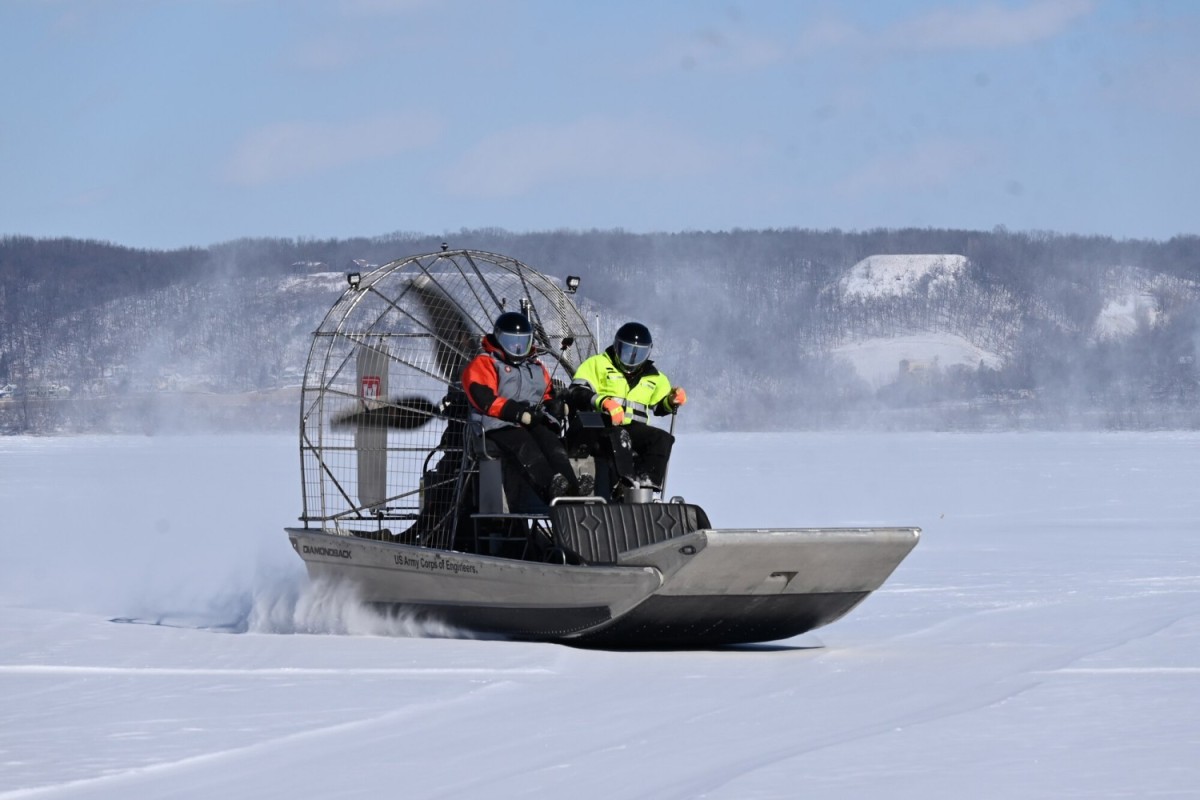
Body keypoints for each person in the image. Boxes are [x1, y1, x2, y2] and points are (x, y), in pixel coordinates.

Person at [461, 311, 581, 506]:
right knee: (525, 444)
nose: (517, 348)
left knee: (552, 444)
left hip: (530, 420)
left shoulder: (534, 366)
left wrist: (554, 405)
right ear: (499, 339)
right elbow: (483, 398)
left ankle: (572, 489)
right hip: (497, 425)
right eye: (511, 342)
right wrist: (515, 412)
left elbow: (546, 393)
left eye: (522, 342)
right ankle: (550, 486)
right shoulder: (485, 363)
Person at [569, 321, 686, 492]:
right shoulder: (598, 364)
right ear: (617, 347)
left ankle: (646, 483)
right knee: (620, 435)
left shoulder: (655, 377)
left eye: (639, 353)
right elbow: (577, 391)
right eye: (627, 351)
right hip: (601, 428)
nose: (632, 358)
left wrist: (672, 400)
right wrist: (604, 402)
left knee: (663, 438)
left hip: (632, 428)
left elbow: (661, 406)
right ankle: (623, 483)